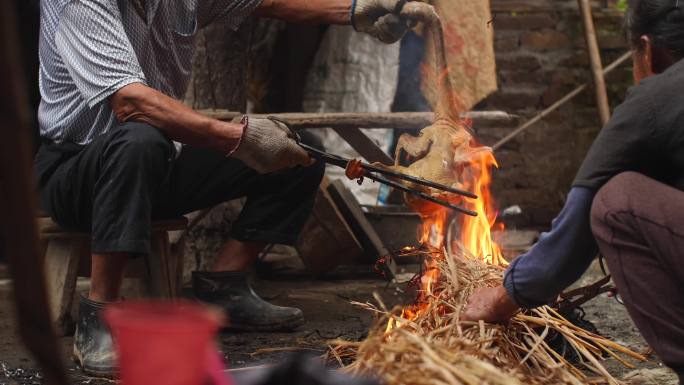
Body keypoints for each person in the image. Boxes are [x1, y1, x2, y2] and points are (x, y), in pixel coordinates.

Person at [35, 0, 410, 377]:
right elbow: (130, 103)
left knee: (299, 153)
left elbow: (262, 2)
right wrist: (241, 138)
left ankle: (224, 286)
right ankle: (101, 313)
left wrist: (352, 11)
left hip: (158, 158)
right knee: (139, 140)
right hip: (76, 171)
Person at [462, 0, 684, 382]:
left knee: (616, 202)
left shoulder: (656, 96)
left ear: (648, 49)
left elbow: (573, 231)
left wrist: (502, 297)